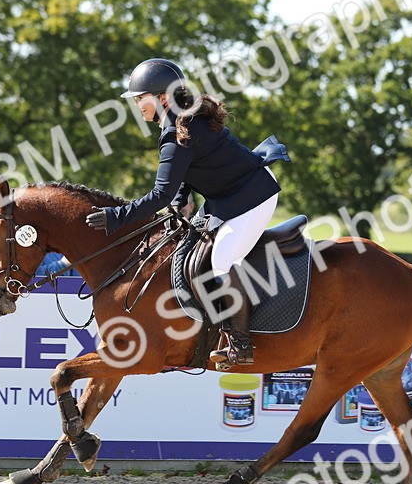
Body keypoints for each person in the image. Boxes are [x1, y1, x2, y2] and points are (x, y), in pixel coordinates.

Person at [84, 58, 289, 367]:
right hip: (229, 197)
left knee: (221, 261)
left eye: (141, 98)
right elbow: (182, 177)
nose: (138, 105)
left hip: (253, 197)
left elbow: (160, 194)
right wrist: (183, 198)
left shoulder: (177, 133)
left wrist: (116, 218)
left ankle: (241, 344)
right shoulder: (182, 123)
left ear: (162, 97)